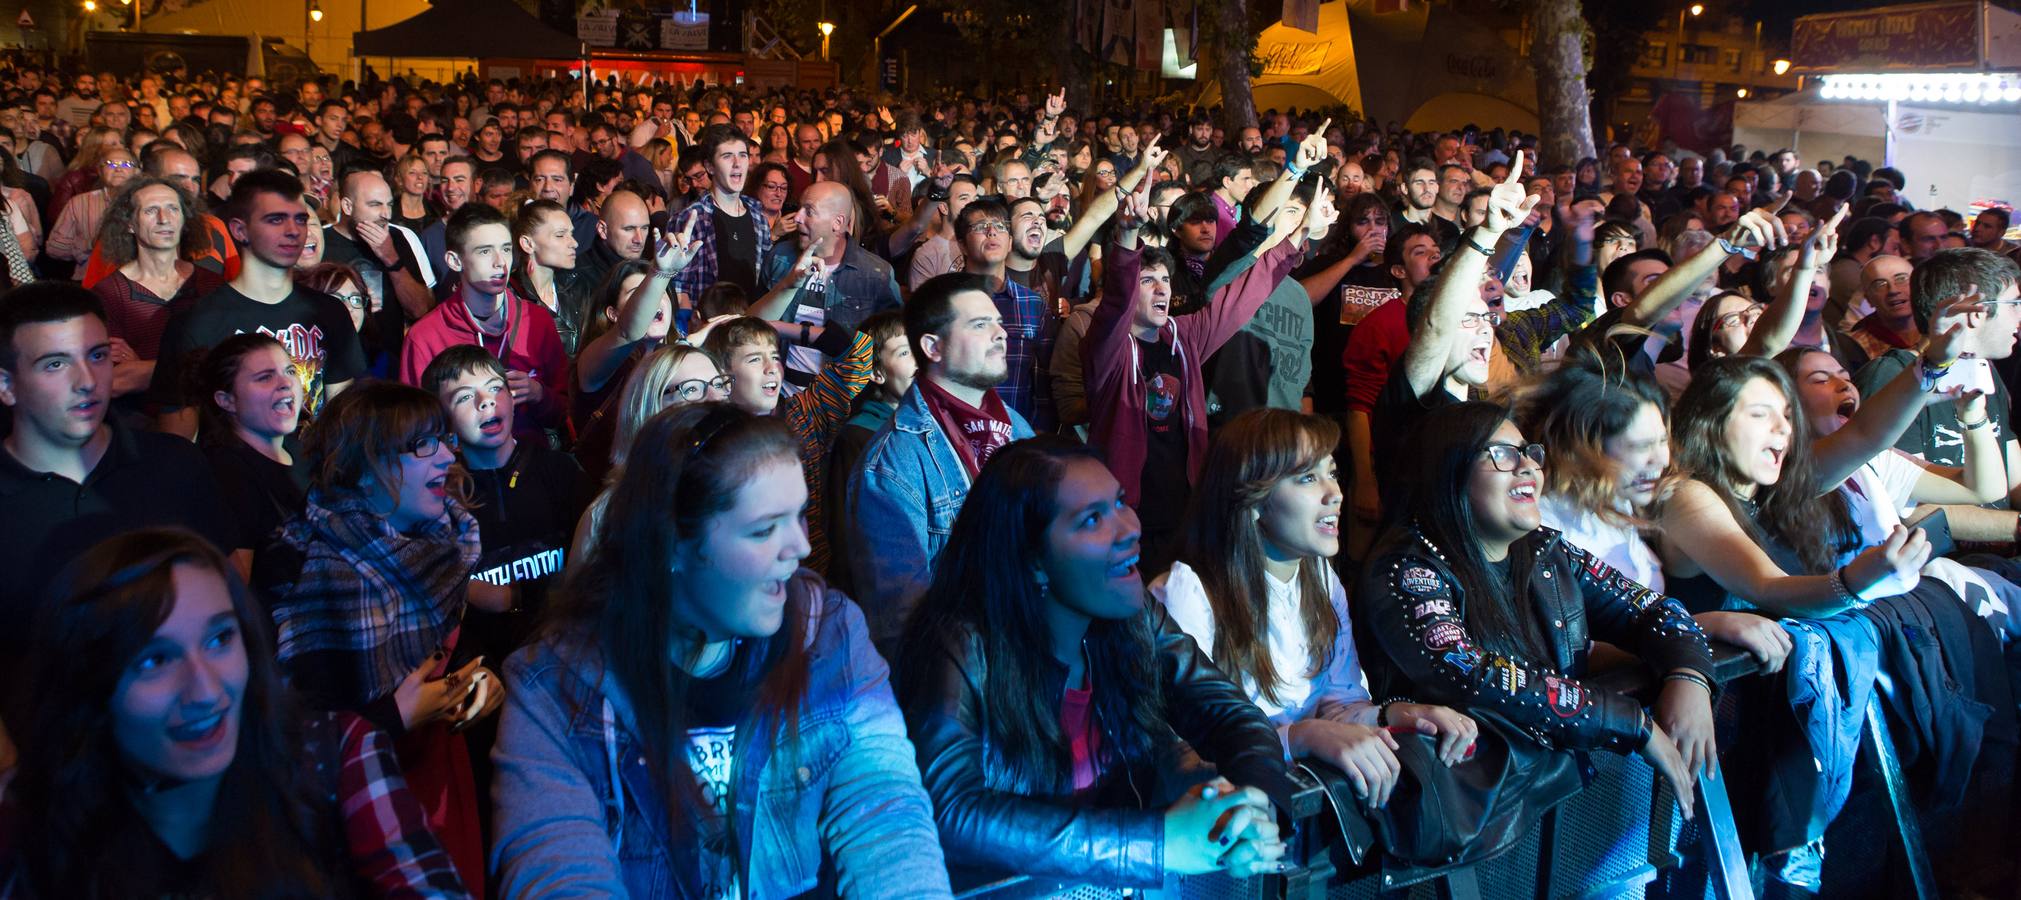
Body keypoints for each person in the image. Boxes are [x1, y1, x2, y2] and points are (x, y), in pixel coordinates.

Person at [490, 404, 952, 898]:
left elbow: (885, 815)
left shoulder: (828, 633)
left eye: (799, 515)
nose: (798, 546)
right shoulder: (556, 688)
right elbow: (558, 872)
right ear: (671, 545)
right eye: (763, 529)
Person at [894, 436, 1295, 887]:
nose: (1130, 527)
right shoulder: (959, 643)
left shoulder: (1136, 616)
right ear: (1034, 562)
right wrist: (1157, 843)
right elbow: (951, 813)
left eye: (1120, 501)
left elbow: (1230, 715)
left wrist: (1252, 807)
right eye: (1092, 519)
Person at [0, 528, 470, 898]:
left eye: (219, 639)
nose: (205, 691)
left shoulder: (337, 754)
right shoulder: (36, 827)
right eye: (153, 660)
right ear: (88, 683)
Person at [1360, 401, 1717, 823]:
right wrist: (1630, 722)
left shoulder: (1546, 551)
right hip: (1462, 822)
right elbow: (1473, 674)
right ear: (1448, 472)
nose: (1527, 466)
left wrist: (1689, 678)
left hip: (1547, 804)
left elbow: (1653, 610)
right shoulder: (1406, 567)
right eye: (1503, 455)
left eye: (1529, 452)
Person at [255, 381, 511, 894]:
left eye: (442, 439)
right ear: (365, 466)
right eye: (423, 445)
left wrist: (476, 680)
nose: (446, 457)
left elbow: (442, 657)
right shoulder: (300, 569)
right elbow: (283, 743)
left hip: (441, 775)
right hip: (352, 810)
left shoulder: (442, 544)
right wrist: (395, 718)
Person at [1157, 409, 1477, 803]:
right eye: (1308, 478)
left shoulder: (1320, 578)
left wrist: (1400, 715)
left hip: (1309, 808)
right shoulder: (1188, 593)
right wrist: (1299, 737)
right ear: (1252, 497)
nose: (1335, 494)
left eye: (1333, 473)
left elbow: (1340, 704)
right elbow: (1179, 754)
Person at [0, 282, 233, 652]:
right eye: (56, 364)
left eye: (96, 356)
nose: (87, 382)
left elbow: (225, 608)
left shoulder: (176, 467)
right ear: (6, 385)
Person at [848, 272, 1037, 646]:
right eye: (980, 325)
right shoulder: (892, 463)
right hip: (970, 671)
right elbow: (903, 619)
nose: (1001, 334)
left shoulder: (1014, 426)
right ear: (933, 347)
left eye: (998, 322)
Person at [151, 170, 367, 436]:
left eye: (300, 219)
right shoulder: (196, 324)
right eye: (276, 220)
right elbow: (179, 444)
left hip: (313, 473)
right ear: (240, 229)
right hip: (234, 474)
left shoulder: (330, 312)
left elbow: (343, 422)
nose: (293, 231)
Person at [422, 344, 586, 671]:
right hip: (484, 670)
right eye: (465, 397)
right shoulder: (439, 498)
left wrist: (510, 596)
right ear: (443, 423)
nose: (487, 401)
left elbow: (595, 565)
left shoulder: (559, 470)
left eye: (497, 388)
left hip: (570, 654)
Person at [398, 203, 568, 439]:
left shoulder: (537, 320)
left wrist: (539, 394)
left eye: (506, 249)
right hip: (462, 470)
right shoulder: (425, 336)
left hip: (528, 465)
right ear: (454, 261)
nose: (501, 262)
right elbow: (415, 429)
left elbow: (564, 412)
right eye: (485, 251)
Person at [749, 181, 900, 391]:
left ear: (837, 223)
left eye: (809, 211)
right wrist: (787, 285)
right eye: (800, 208)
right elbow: (752, 326)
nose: (798, 217)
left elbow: (891, 346)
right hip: (782, 397)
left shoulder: (875, 274)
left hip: (840, 404)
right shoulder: (780, 258)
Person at [89, 176, 228, 403]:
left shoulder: (212, 285)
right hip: (140, 419)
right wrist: (200, 368)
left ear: (184, 220)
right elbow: (114, 381)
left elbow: (229, 366)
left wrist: (141, 365)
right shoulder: (109, 293)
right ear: (129, 223)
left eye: (173, 209)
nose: (164, 219)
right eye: (151, 211)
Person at [195, 332, 309, 576]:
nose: (285, 383)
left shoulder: (303, 451)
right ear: (226, 401)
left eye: (289, 371)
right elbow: (237, 588)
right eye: (265, 377)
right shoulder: (226, 474)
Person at [320, 169, 436, 326]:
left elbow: (420, 309)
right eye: (375, 205)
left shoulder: (396, 237)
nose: (386, 214)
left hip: (387, 349)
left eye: (389, 205)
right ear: (347, 206)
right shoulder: (320, 241)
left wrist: (391, 257)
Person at [671, 124, 771, 303]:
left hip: (749, 324)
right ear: (710, 167)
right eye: (727, 156)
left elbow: (764, 280)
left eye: (743, 155)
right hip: (709, 326)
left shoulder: (758, 216)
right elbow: (680, 286)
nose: (737, 163)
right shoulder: (692, 218)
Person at [507, 198, 591, 357]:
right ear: (528, 244)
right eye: (560, 235)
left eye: (571, 234)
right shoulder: (507, 297)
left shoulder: (578, 287)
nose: (574, 243)